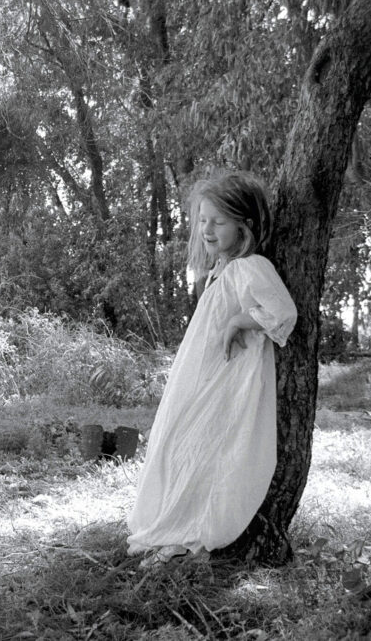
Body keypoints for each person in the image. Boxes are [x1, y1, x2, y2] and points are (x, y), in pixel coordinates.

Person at [126, 172, 297, 565]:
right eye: (203, 220)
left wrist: (239, 320)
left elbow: (283, 312)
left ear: (244, 226)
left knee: (205, 451)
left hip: (227, 381)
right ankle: (176, 529)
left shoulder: (249, 266)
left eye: (218, 221)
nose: (206, 229)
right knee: (176, 444)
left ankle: (193, 535)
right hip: (202, 376)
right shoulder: (220, 271)